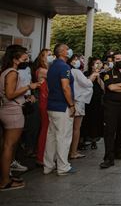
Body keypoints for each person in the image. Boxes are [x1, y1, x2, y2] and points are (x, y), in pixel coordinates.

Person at [0, 45, 42, 191]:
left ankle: (6, 177)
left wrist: (25, 95)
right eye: (24, 54)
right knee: (9, 147)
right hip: (12, 113)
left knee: (8, 146)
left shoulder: (5, 71)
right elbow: (10, 94)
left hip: (7, 110)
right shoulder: (12, 73)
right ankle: (5, 181)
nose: (27, 56)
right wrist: (29, 86)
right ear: (16, 58)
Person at [44, 44, 76, 176]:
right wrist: (71, 105)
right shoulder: (64, 66)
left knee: (51, 137)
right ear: (62, 52)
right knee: (63, 137)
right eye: (67, 48)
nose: (69, 50)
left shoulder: (52, 66)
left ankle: (48, 165)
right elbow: (65, 87)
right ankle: (63, 166)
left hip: (52, 105)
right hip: (62, 106)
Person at [68, 54, 97, 160]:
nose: (79, 61)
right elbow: (87, 83)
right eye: (76, 59)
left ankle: (70, 150)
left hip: (71, 100)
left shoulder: (69, 71)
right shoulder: (76, 71)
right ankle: (73, 151)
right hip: (78, 100)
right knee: (76, 128)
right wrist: (93, 76)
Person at [33, 48, 52, 166]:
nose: (51, 57)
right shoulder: (42, 70)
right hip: (44, 101)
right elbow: (54, 76)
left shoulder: (47, 69)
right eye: (48, 55)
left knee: (48, 129)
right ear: (42, 58)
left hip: (48, 101)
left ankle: (45, 155)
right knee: (45, 129)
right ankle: (40, 156)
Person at [82, 58, 104, 150]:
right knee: (86, 119)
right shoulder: (86, 74)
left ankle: (94, 140)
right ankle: (83, 140)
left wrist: (98, 77)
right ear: (92, 65)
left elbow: (103, 88)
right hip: (87, 100)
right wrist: (93, 75)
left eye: (100, 63)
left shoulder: (102, 75)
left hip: (97, 100)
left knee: (96, 119)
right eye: (96, 63)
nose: (98, 65)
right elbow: (85, 84)